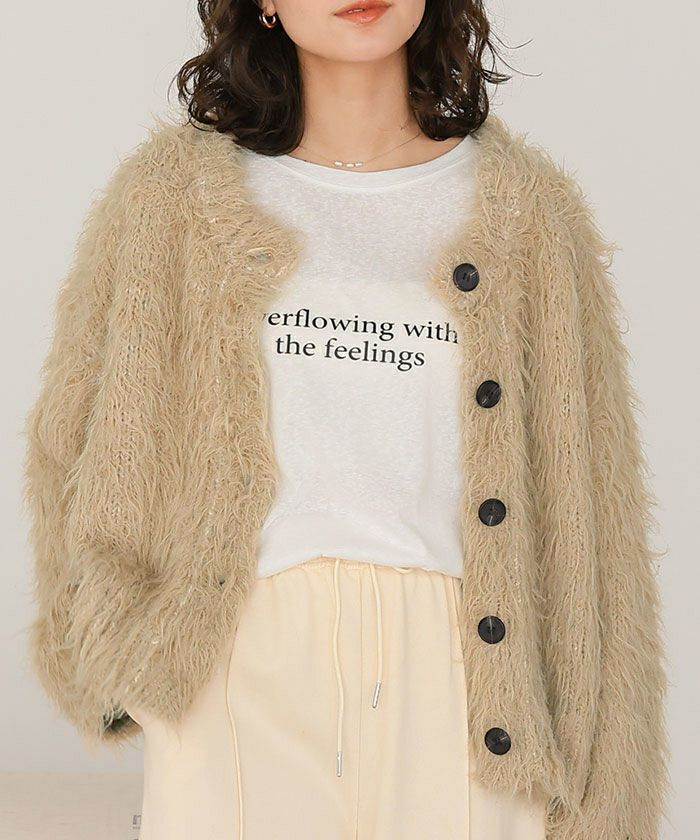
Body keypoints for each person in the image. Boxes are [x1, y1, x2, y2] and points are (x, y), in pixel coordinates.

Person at [22, 0, 669, 837]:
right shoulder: (169, 201)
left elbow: (597, 509)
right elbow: (76, 436)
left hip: (472, 680)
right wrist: (117, 651)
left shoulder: (530, 214)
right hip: (238, 665)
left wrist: (608, 781)